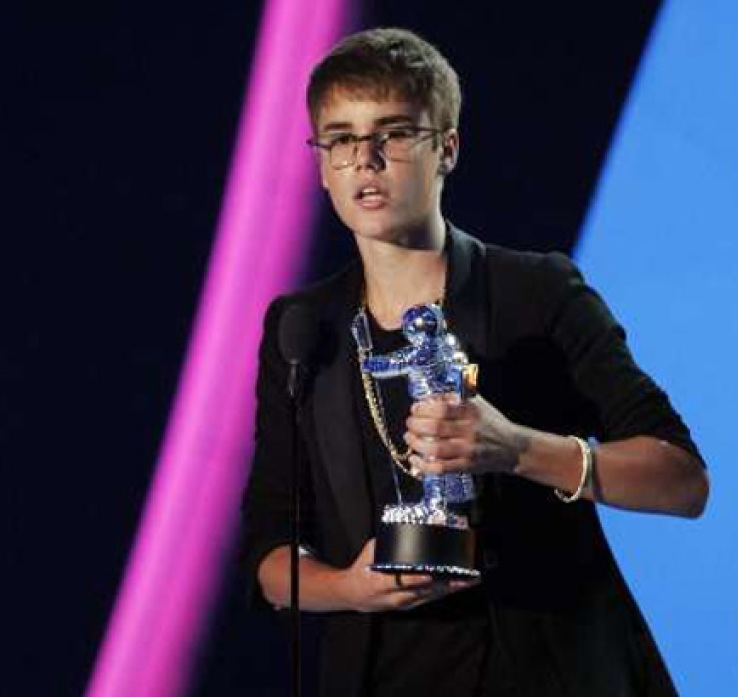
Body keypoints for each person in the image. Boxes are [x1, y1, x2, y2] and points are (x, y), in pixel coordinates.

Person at [241, 27, 709, 697]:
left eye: (394, 133)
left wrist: (517, 447)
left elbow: (683, 479)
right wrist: (348, 587)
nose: (365, 159)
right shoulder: (301, 327)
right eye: (340, 138)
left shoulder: (538, 291)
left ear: (447, 148)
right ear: (320, 164)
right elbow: (268, 547)